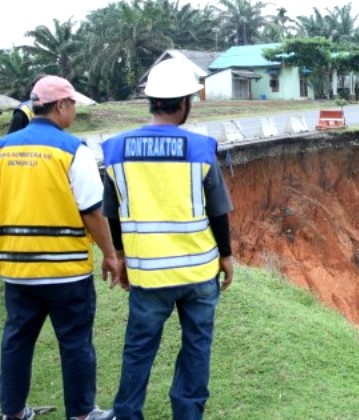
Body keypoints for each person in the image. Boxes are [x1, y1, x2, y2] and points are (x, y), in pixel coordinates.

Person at [101, 58, 234, 420]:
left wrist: (121, 256)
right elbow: (217, 211)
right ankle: (188, 414)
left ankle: (128, 413)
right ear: (185, 102)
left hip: (148, 275)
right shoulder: (202, 148)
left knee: (139, 349)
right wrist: (226, 256)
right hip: (198, 273)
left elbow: (111, 213)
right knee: (196, 347)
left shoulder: (115, 149)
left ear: (152, 101)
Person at [0, 76, 119, 420]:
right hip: (66, 272)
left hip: (18, 270)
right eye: (73, 105)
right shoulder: (72, 150)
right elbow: (93, 212)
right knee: (75, 342)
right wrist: (110, 254)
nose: (75, 111)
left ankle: (12, 412)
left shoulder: (4, 147)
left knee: (16, 341)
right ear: (61, 106)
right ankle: (82, 414)